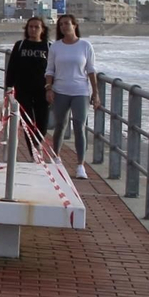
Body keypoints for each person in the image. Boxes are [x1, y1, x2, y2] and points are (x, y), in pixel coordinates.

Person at [45, 13, 98, 178]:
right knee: (60, 125)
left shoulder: (85, 46)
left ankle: (80, 165)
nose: (64, 27)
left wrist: (96, 93)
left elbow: (91, 70)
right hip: (60, 90)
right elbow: (50, 69)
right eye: (61, 24)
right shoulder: (55, 47)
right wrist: (49, 88)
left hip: (80, 91)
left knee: (79, 126)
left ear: (75, 25)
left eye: (67, 23)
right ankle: (56, 156)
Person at [5, 17, 52, 154]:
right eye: (30, 27)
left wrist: (52, 87)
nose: (33, 29)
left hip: (42, 90)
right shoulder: (20, 45)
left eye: (36, 27)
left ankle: (37, 144)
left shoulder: (49, 47)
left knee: (43, 122)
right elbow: (12, 67)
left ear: (42, 29)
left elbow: (54, 69)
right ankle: (34, 152)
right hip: (23, 90)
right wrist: (8, 88)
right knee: (26, 122)